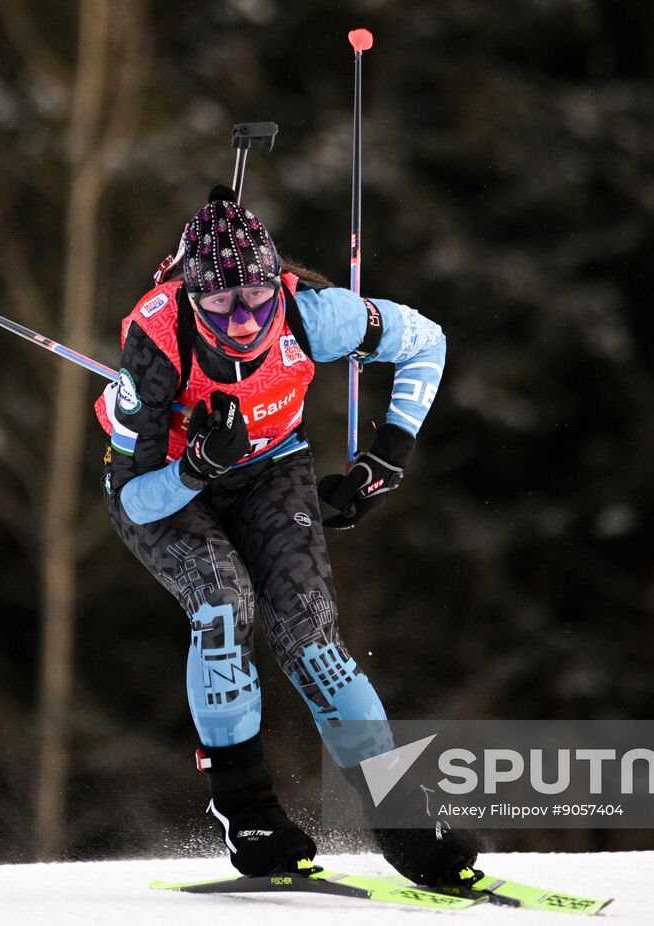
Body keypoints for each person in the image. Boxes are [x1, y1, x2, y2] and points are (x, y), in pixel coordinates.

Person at [95, 185, 476, 886]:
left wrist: (388, 455)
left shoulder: (312, 315)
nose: (242, 320)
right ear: (189, 294)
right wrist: (195, 467)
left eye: (256, 298)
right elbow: (134, 499)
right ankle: (246, 812)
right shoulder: (154, 340)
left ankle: (403, 823)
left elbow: (428, 343)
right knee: (222, 602)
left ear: (278, 280)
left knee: (311, 636)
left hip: (271, 469)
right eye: (219, 304)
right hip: (168, 489)